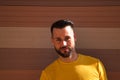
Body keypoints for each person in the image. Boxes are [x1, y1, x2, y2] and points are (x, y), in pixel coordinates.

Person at [40, 19, 108, 80]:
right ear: (52, 41)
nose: (64, 44)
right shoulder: (47, 74)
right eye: (58, 40)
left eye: (67, 38)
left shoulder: (96, 64)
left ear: (74, 37)